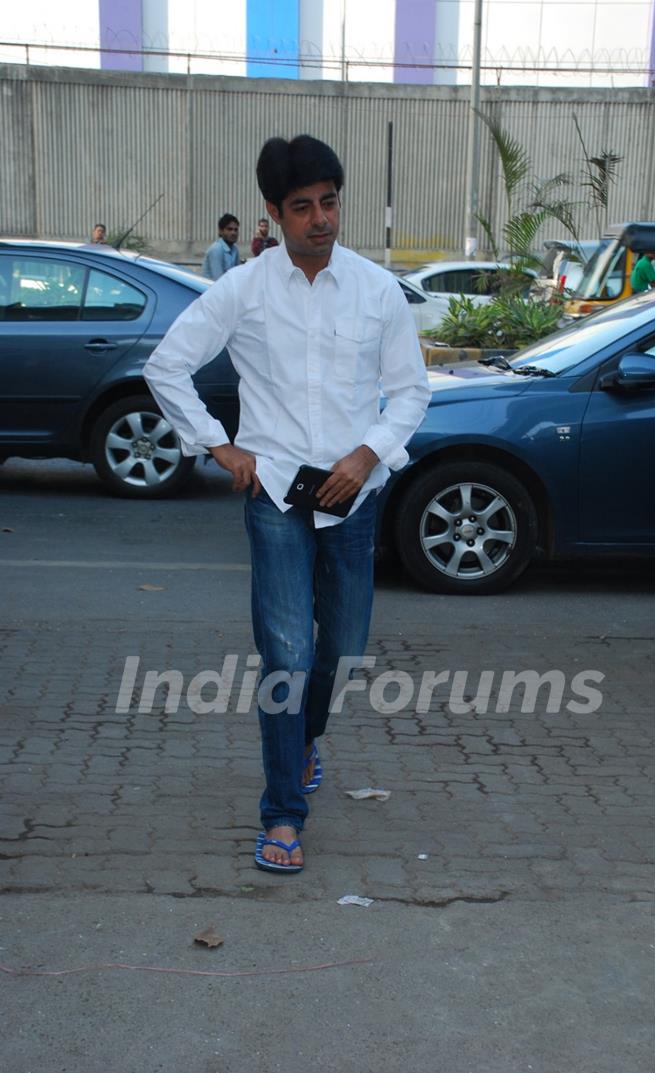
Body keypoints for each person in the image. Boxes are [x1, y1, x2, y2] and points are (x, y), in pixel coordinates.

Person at [144, 134, 431, 874]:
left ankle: (306, 740)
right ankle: (282, 813)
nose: (320, 219)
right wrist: (217, 445)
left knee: (339, 649)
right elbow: (167, 365)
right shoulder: (243, 289)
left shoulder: (375, 290)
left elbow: (411, 392)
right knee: (287, 653)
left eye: (329, 202)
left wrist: (367, 454)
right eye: (302, 207)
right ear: (273, 213)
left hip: (354, 496)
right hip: (274, 493)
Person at [201, 213, 241, 280]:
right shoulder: (216, 249)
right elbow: (218, 280)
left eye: (235, 230)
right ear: (220, 231)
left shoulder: (235, 249)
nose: (233, 233)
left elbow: (237, 275)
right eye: (229, 229)